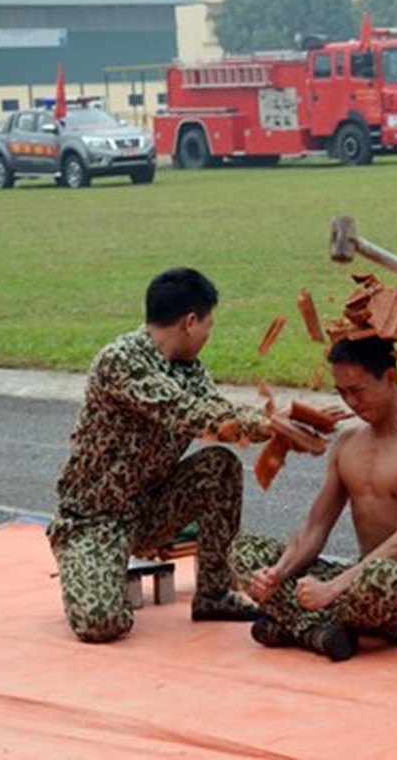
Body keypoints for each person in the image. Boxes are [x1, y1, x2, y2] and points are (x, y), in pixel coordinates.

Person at [48, 267, 275, 643]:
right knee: (102, 623)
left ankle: (214, 594)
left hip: (149, 509)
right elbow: (190, 412)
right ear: (189, 321)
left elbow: (218, 411)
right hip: (95, 517)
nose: (208, 333)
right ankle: (88, 559)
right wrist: (274, 426)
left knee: (219, 467)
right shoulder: (120, 360)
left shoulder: (191, 371)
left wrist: (275, 426)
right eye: (208, 324)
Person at [229, 336, 397, 661]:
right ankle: (320, 631)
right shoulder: (348, 443)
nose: (351, 402)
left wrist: (333, 589)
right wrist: (276, 573)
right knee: (246, 550)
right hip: (355, 577)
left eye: (358, 390)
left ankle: (295, 623)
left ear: (390, 377)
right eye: (342, 393)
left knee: (377, 580)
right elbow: (316, 527)